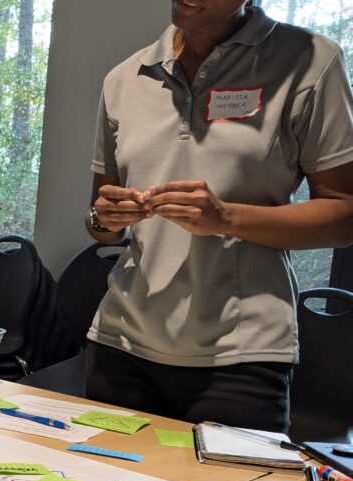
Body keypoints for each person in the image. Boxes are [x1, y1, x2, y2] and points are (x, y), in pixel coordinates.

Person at [84, 0, 353, 431]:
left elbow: (343, 215)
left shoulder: (311, 61)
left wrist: (225, 217)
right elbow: (100, 224)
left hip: (241, 356)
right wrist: (106, 220)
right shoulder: (124, 78)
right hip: (122, 345)